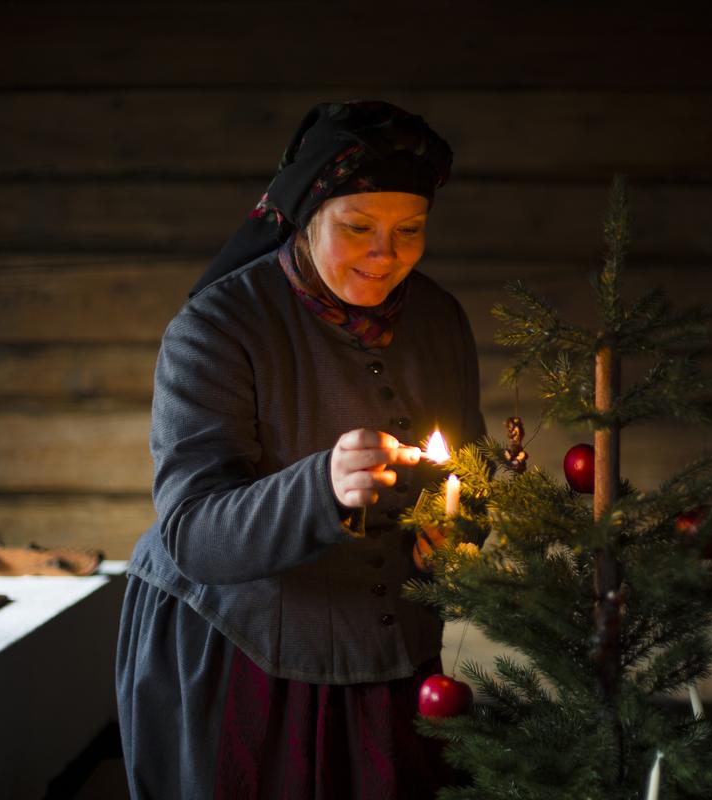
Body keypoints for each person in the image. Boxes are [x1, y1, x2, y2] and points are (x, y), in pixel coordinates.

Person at [115, 100, 486, 799]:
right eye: (357, 228)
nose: (386, 254)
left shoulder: (440, 319)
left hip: (394, 653)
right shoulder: (215, 328)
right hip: (243, 653)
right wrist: (325, 486)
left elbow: (469, 466)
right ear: (305, 216)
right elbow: (194, 532)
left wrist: (461, 528)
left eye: (410, 230)